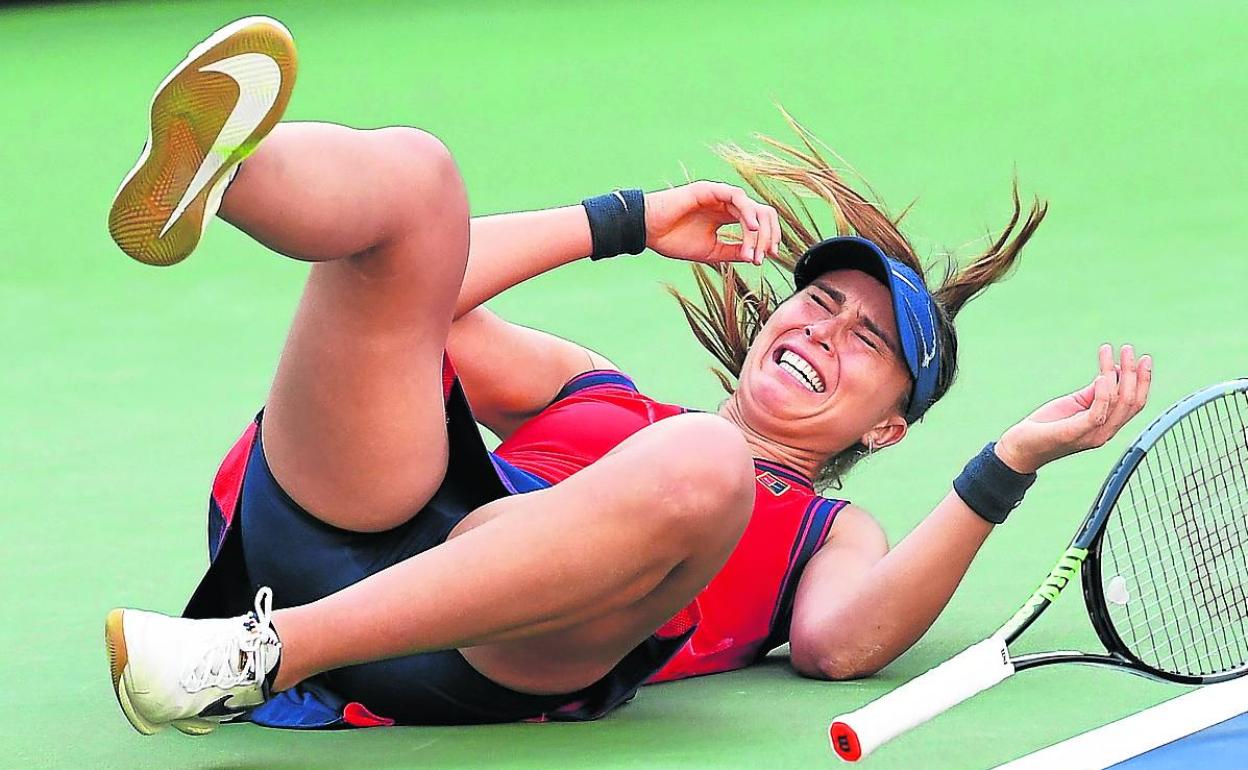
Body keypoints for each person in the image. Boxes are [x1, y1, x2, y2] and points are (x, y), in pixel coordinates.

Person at [103, 17, 1153, 735]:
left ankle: (250, 657)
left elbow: (844, 642)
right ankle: (224, 174)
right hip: (344, 521)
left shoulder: (823, 531)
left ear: (886, 429)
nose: (826, 329)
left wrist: (1008, 462)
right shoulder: (595, 387)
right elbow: (420, 297)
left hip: (493, 653)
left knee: (702, 461)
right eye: (821, 300)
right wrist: (626, 221)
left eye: (869, 341)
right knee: (421, 183)